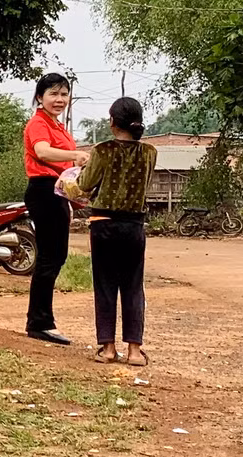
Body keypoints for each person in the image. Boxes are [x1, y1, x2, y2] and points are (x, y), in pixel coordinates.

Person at [74, 97, 157, 366]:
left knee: (106, 285)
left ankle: (108, 348)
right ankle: (134, 350)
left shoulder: (101, 151)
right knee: (133, 286)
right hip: (134, 225)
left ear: (112, 122)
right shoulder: (150, 153)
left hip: (103, 224)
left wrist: (72, 179)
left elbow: (85, 186)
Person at [23, 73, 90, 345]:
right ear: (40, 97)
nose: (59, 99)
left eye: (64, 94)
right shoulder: (38, 124)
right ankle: (39, 322)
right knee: (51, 257)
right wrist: (75, 155)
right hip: (43, 190)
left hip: (57, 192)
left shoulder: (58, 126)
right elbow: (43, 152)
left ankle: (41, 319)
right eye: (53, 93)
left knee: (57, 256)